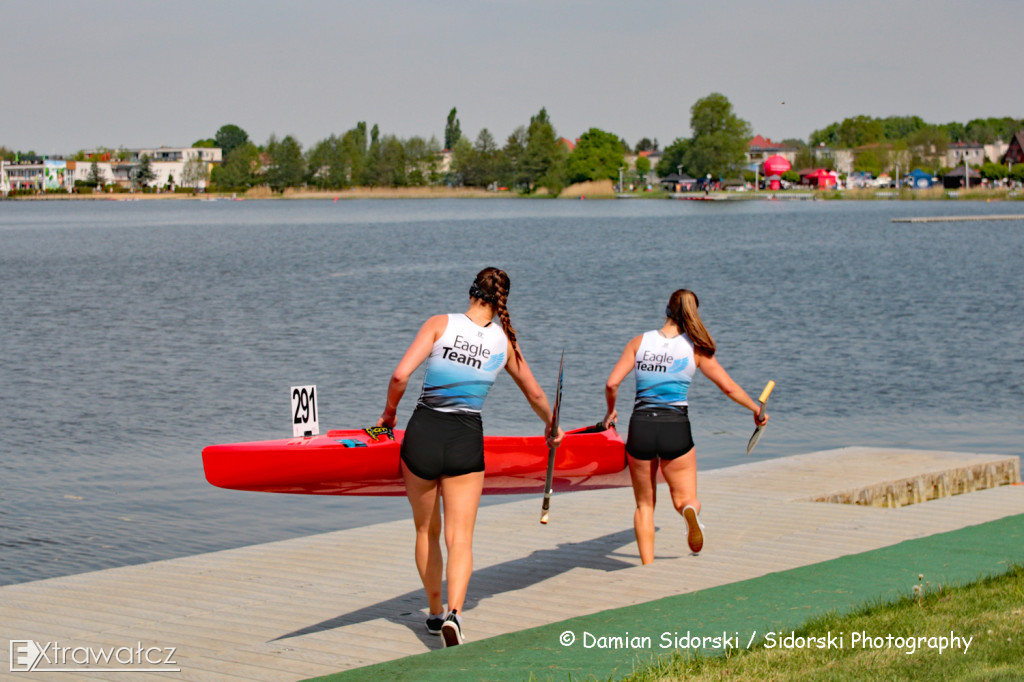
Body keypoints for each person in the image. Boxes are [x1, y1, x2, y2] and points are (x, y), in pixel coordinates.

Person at [377, 267, 563, 647]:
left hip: (424, 433)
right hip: (465, 439)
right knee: (459, 537)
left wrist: (389, 414)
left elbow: (399, 376)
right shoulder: (504, 343)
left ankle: (432, 613)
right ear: (502, 302)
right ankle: (455, 615)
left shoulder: (439, 324)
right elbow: (536, 395)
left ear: (471, 292)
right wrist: (552, 426)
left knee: (426, 532)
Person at [602, 289, 767, 564]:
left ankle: (647, 566)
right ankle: (689, 510)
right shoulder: (696, 349)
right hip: (675, 427)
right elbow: (727, 387)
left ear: (667, 309)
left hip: (641, 425)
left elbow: (611, 383)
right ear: (692, 313)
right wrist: (756, 409)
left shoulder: (639, 342)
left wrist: (610, 412)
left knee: (644, 505)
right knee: (685, 497)